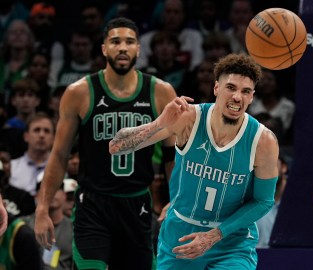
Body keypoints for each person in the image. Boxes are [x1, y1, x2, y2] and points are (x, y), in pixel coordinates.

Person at [109, 53, 279, 269]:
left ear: (252, 97)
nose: (237, 97)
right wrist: (159, 123)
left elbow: (263, 201)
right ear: (216, 88)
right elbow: (115, 147)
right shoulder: (188, 118)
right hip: (181, 234)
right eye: (231, 88)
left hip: (231, 240)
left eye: (245, 91)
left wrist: (214, 236)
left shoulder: (263, 141)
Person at [34, 17, 177, 270]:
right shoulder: (79, 92)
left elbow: (171, 155)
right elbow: (59, 155)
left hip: (137, 205)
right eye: (115, 41)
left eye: (130, 41)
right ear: (103, 48)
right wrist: (43, 207)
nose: (123, 47)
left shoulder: (161, 92)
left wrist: (176, 199)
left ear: (138, 49)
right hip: (93, 205)